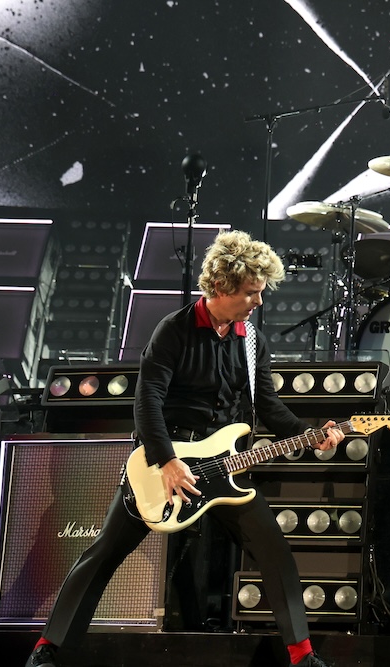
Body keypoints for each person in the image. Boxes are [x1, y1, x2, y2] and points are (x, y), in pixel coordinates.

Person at [26, 230, 345, 667]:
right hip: (165, 464)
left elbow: (267, 404)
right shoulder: (173, 330)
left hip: (224, 467)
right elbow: (147, 400)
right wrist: (168, 460)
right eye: (252, 292)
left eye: (261, 292)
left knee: (273, 549)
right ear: (221, 287)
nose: (259, 301)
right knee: (103, 553)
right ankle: (49, 650)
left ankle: (301, 656)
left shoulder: (252, 342)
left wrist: (312, 433)